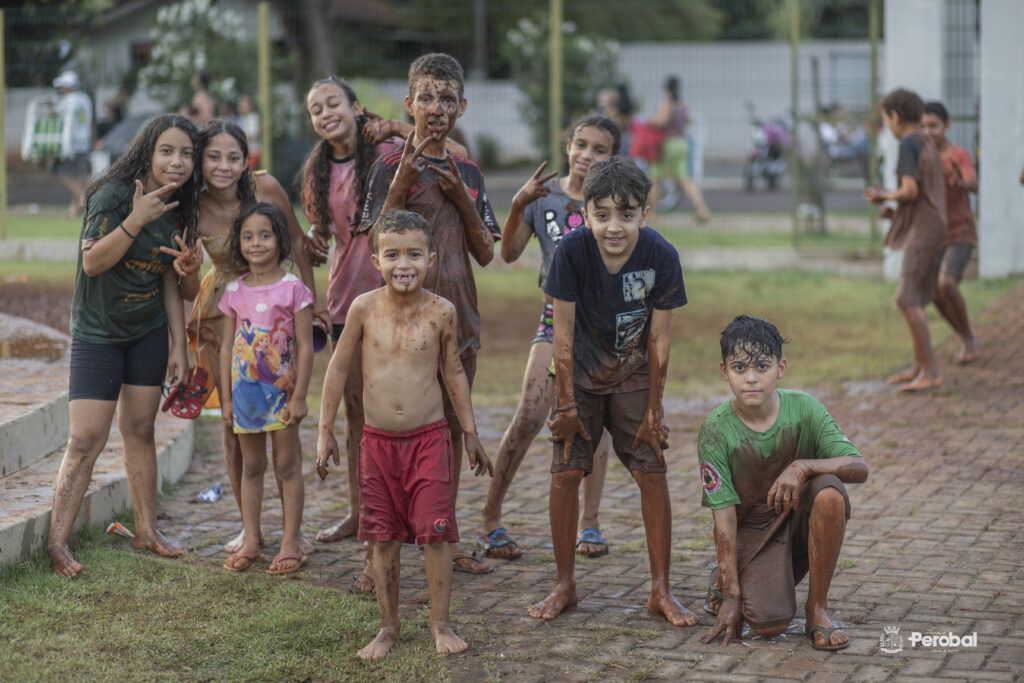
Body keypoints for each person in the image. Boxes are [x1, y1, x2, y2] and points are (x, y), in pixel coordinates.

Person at [300, 77, 467, 593]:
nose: (325, 114)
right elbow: (318, 240)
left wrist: (398, 123)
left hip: (397, 298)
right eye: (314, 110)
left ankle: (432, 526)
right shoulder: (318, 170)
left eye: (333, 104)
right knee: (360, 419)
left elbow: (452, 151)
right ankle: (362, 515)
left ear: (356, 107)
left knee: (421, 417)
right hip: (346, 298)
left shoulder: (390, 152)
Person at [315, 210, 493, 659]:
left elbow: (453, 372)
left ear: (430, 258)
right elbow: (337, 368)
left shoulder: (441, 311)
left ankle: (440, 624)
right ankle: (388, 627)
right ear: (376, 259)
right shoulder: (363, 308)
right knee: (384, 536)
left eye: (414, 253)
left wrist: (469, 432)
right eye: (392, 254)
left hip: (429, 439)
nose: (403, 264)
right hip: (376, 443)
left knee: (437, 533)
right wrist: (325, 432)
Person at [530, 155, 695, 626]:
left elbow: (660, 339)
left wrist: (654, 410)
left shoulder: (662, 256)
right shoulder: (572, 252)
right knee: (564, 473)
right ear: (585, 213)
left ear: (645, 212)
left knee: (652, 471)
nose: (614, 227)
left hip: (633, 375)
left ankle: (660, 589)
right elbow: (560, 338)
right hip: (578, 374)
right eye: (602, 215)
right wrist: (564, 405)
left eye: (627, 215)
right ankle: (565, 584)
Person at [360, 53, 501, 576]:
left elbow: (486, 252)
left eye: (447, 99)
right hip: (397, 325)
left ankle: (448, 536)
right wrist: (403, 180)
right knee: (392, 431)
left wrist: (461, 199)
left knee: (452, 426)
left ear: (461, 107)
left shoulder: (467, 170)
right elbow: (372, 242)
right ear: (409, 104)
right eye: (426, 98)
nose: (436, 108)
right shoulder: (386, 167)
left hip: (458, 315)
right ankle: (380, 553)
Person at [47, 113, 203, 578]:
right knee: (84, 438)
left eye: (187, 154)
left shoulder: (183, 204)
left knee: (140, 429)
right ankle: (57, 545)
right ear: (148, 153)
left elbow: (178, 286)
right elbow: (93, 263)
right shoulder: (113, 195)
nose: (178, 162)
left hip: (148, 332)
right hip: (98, 333)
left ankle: (147, 531)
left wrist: (179, 342)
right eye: (168, 151)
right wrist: (135, 220)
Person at [479, 114, 620, 561]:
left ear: (613, 157)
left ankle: (590, 523)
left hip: (602, 328)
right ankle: (489, 515)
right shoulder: (545, 198)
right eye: (581, 145)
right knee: (529, 416)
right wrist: (519, 203)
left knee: (595, 430)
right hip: (553, 321)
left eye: (600, 150)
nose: (588, 156)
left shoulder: (613, 203)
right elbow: (509, 252)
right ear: (567, 146)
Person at [187, 118, 324, 556]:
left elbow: (298, 244)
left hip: (279, 309)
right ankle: (250, 531)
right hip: (222, 311)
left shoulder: (265, 188)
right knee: (233, 427)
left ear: (247, 160)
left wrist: (313, 301)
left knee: (283, 436)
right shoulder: (193, 202)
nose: (223, 166)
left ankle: (292, 533)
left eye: (232, 157)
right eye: (213, 157)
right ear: (200, 160)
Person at [699, 315, 869, 651]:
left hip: (797, 515)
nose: (751, 378)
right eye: (739, 368)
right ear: (724, 372)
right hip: (753, 530)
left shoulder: (806, 409)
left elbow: (859, 467)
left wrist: (803, 466)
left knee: (831, 492)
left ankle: (817, 609)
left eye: (762, 366)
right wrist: (734, 595)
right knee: (769, 623)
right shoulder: (715, 430)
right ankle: (727, 580)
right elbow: (724, 517)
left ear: (781, 368)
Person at [218, 202, 314, 574]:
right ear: (238, 243)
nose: (256, 243)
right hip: (245, 398)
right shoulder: (233, 291)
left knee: (287, 465)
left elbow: (305, 347)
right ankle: (252, 540)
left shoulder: (294, 289)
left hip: (283, 395)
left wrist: (301, 395)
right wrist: (227, 400)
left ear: (279, 240)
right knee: (252, 465)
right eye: (247, 236)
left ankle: (290, 543)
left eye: (264, 235)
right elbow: (227, 347)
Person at [863, 88, 947, 392]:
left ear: (895, 116)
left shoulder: (909, 143)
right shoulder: (925, 139)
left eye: (886, 119)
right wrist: (892, 208)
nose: (888, 126)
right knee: (917, 297)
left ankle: (931, 372)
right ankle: (919, 366)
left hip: (925, 228)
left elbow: (910, 191)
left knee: (907, 298)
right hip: (933, 223)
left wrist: (885, 194)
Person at [921, 101, 980, 364]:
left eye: (933, 125)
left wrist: (960, 182)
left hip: (960, 233)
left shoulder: (959, 155)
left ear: (946, 125)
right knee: (933, 292)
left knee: (947, 282)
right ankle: (965, 336)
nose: (928, 131)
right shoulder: (923, 159)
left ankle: (968, 339)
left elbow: (973, 183)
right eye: (923, 126)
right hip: (935, 235)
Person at [647, 76, 710, 223]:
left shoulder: (666, 103)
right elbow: (687, 121)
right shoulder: (682, 105)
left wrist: (651, 120)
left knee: (655, 177)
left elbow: (661, 121)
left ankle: (653, 214)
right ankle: (702, 209)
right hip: (682, 144)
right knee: (684, 178)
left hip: (667, 144)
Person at [49, 70, 93, 216]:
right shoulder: (85, 99)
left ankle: (81, 198)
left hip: (70, 143)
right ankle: (74, 209)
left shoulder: (68, 100)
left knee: (61, 173)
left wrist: (50, 104)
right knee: (79, 175)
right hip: (84, 142)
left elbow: (55, 112)